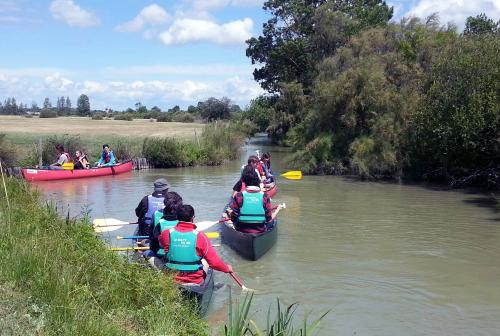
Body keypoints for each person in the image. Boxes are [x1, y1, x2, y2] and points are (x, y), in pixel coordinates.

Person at [159, 204, 233, 284]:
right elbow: (214, 262)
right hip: (194, 281)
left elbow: (161, 245)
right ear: (193, 217)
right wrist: (226, 268)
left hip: (171, 278)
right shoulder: (201, 236)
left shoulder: (166, 233)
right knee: (204, 260)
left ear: (177, 217)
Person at [148, 191, 183, 261]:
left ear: (165, 202)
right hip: (182, 252)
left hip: (162, 254)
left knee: (147, 252)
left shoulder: (156, 214)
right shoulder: (184, 215)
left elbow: (152, 237)